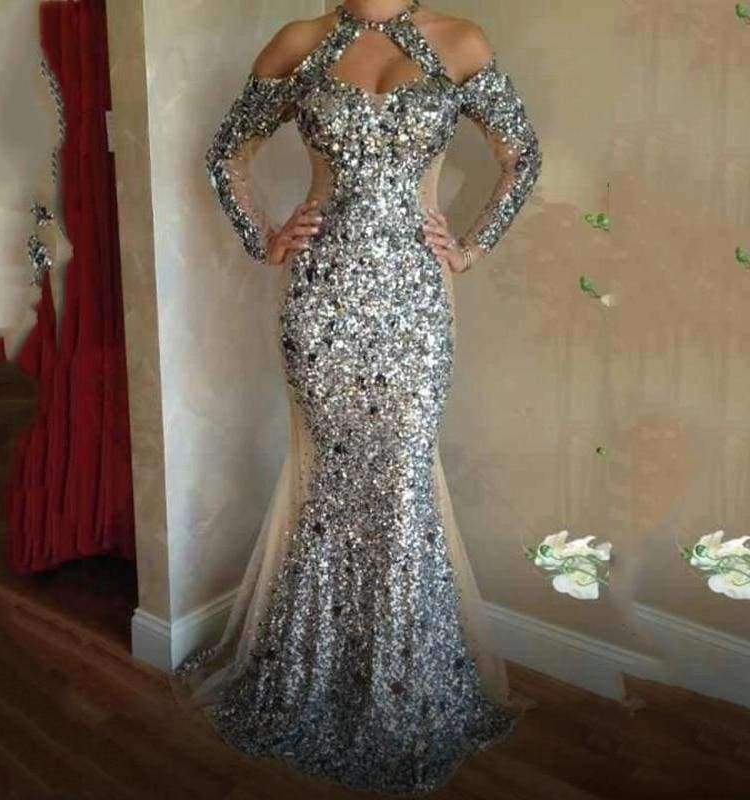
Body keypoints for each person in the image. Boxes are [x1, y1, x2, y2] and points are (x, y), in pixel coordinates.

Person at [170, 1, 542, 794]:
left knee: (402, 484)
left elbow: (522, 156)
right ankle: (314, 676)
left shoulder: (459, 40)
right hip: (323, 300)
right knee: (330, 487)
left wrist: (469, 245)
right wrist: (264, 234)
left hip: (414, 301)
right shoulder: (301, 41)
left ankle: (405, 691)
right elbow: (225, 154)